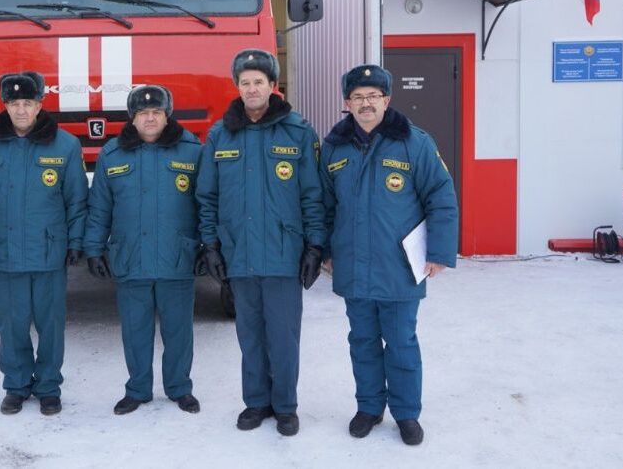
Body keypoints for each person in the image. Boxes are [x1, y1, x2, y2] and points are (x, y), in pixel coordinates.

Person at [321, 64, 458, 446]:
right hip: (352, 265)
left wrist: (439, 252)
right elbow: (323, 204)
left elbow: (441, 198)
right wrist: (325, 252)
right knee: (362, 341)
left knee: (401, 342)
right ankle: (368, 407)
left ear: (387, 100)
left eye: (373, 96)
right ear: (346, 103)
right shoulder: (333, 147)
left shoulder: (415, 142)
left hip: (400, 266)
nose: (366, 104)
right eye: (358, 97)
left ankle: (406, 413)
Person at [195, 49, 325, 437]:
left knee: (283, 336)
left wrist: (315, 246)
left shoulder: (298, 131)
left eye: (259, 82)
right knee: (249, 334)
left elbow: (312, 195)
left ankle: (285, 406)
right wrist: (211, 245)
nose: (252, 89)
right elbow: (207, 197)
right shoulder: (220, 134)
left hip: (284, 253)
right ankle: (256, 402)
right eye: (245, 82)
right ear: (237, 87)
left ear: (273, 86)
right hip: (239, 253)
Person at [0, 71, 87, 417]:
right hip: (3, 253)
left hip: (49, 252)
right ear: (5, 105)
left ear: (39, 105)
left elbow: (77, 200)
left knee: (51, 326)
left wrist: (76, 242)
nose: (21, 110)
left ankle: (48, 388)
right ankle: (16, 386)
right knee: (11, 325)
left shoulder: (64, 145)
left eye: (28, 103)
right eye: (15, 104)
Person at [84, 85, 203, 416]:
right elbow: (99, 208)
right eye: (142, 113)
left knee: (178, 330)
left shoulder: (191, 151)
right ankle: (137, 389)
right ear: (132, 118)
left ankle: (179, 387)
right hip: (130, 257)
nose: (150, 118)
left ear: (167, 115)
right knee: (135, 330)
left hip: (176, 257)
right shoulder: (113, 154)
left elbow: (207, 204)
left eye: (156, 112)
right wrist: (93, 248)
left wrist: (209, 246)